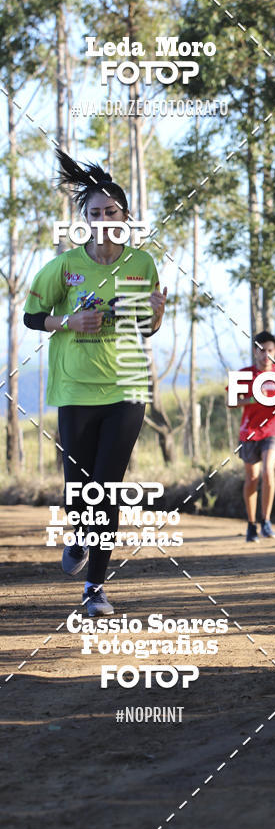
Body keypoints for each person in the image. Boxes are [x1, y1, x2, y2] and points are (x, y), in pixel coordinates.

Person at [24, 149, 167, 616]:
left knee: (106, 488)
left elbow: (145, 327)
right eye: (95, 213)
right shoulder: (64, 267)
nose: (104, 219)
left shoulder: (141, 265)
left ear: (125, 217)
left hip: (127, 391)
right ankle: (79, 533)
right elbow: (31, 317)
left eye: (112, 212)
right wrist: (68, 322)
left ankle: (95, 588)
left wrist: (157, 318)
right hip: (74, 390)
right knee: (78, 489)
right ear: (84, 218)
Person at [231, 331, 275, 542]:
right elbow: (232, 401)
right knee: (252, 479)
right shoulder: (244, 374)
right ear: (255, 352)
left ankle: (266, 521)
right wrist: (252, 399)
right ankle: (251, 524)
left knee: (268, 470)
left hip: (272, 431)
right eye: (262, 350)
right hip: (249, 433)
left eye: (271, 351)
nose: (266, 355)